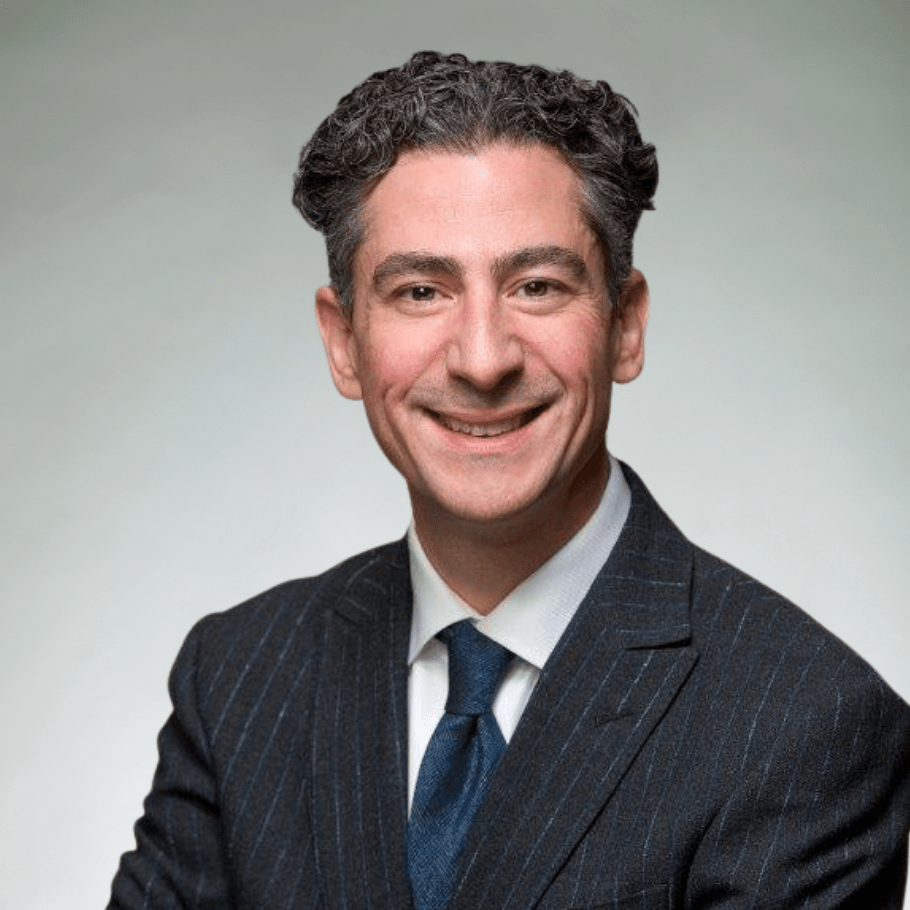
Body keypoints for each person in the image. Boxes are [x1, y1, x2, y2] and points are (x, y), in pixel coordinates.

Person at [108, 51, 910, 910]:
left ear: (626, 327)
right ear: (343, 342)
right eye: (421, 291)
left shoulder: (807, 724)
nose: (483, 359)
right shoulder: (239, 680)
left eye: (537, 286)